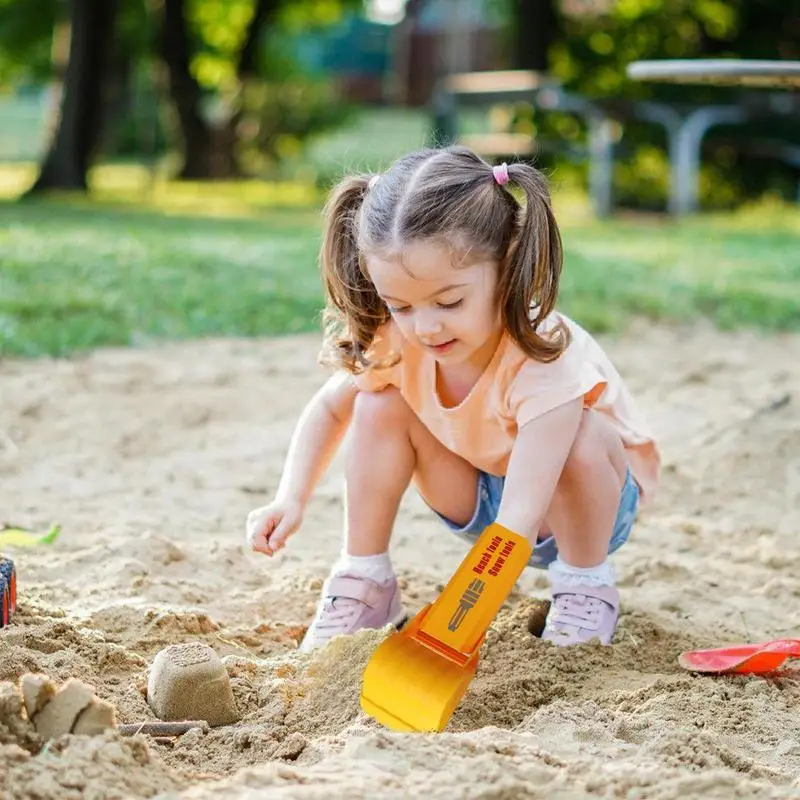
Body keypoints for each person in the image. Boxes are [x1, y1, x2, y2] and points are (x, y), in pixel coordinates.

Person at [246, 146, 660, 653]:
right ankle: (365, 578)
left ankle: (585, 584)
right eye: (400, 306)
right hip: (480, 498)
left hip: (573, 507)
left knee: (582, 431)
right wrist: (290, 497)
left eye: (449, 302)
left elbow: (518, 522)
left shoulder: (542, 354)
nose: (427, 326)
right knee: (377, 402)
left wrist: (459, 625)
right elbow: (331, 409)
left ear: (506, 266)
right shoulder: (401, 341)